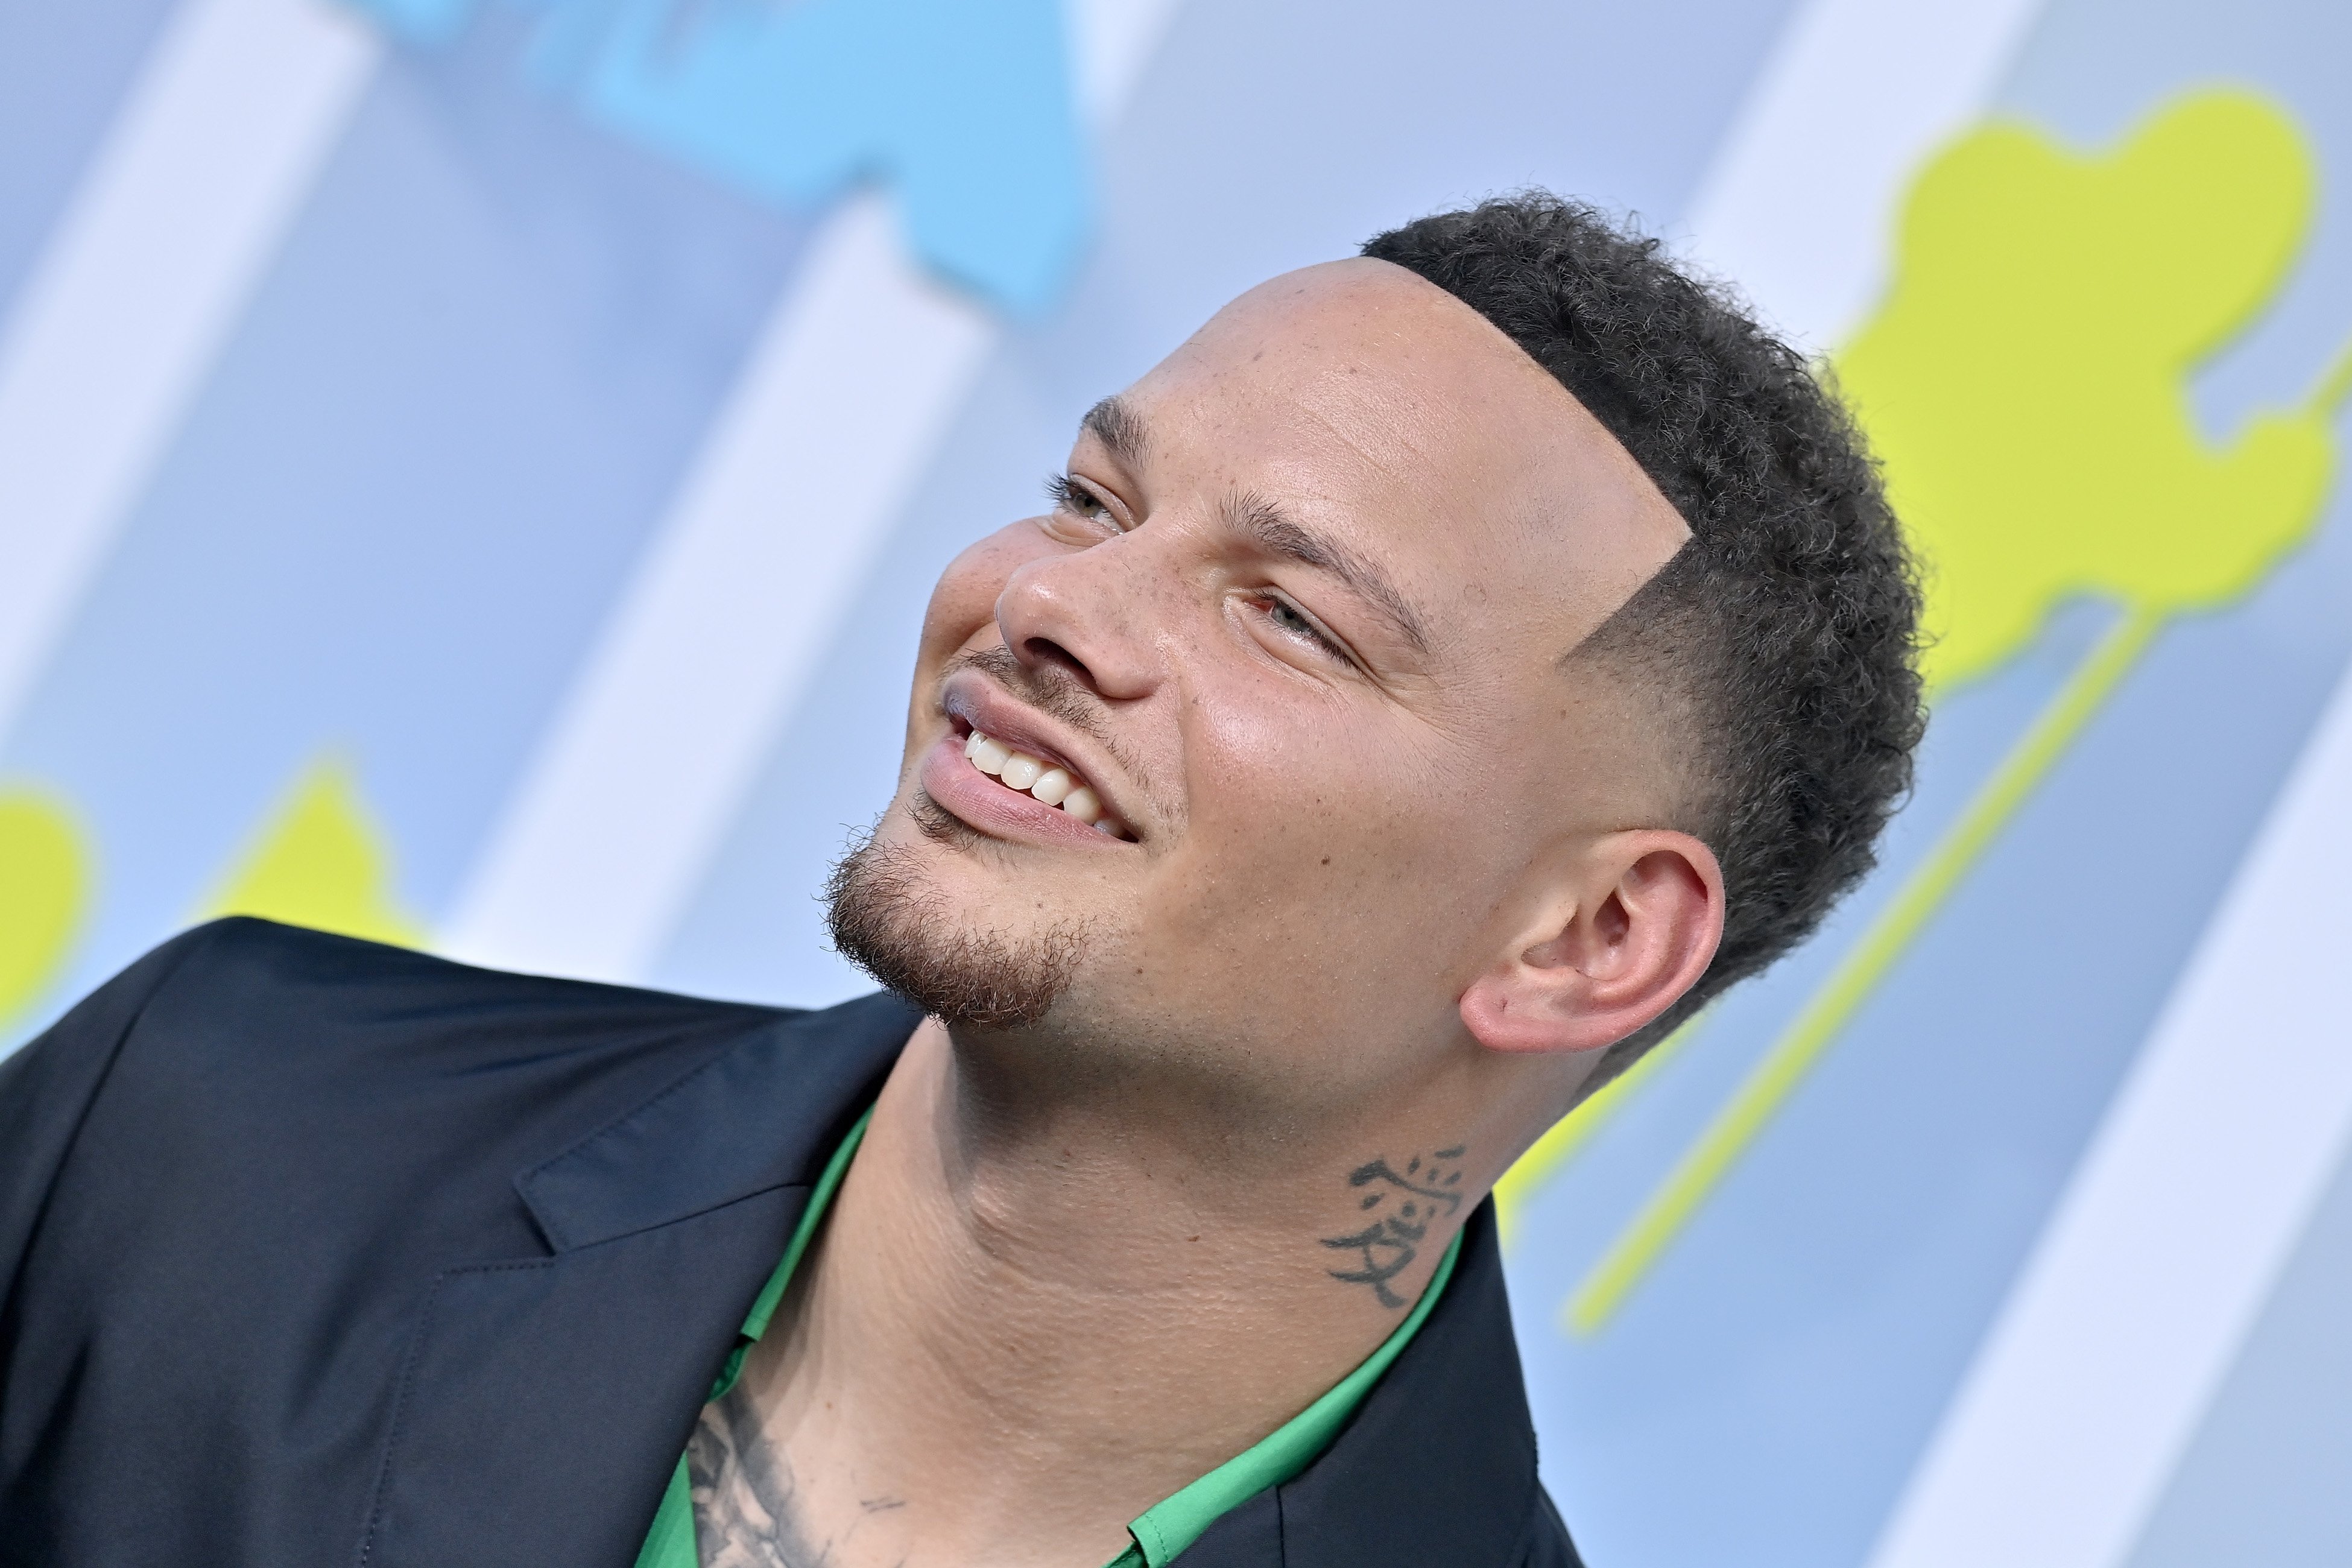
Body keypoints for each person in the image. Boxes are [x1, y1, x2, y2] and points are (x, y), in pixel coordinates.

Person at [0, 194, 1923, 1568]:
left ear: (1588, 939)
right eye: (1092, 499)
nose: (1046, 603)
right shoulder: (206, 1136)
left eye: (1286, 616)